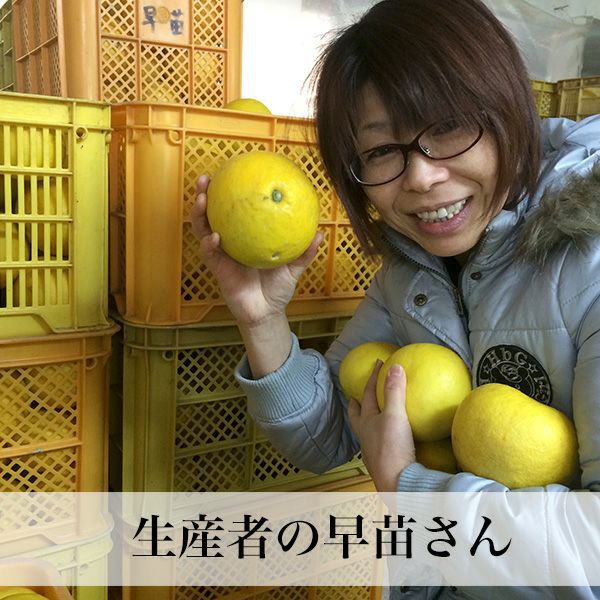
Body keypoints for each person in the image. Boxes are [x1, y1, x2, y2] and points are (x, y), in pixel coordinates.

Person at [192, 0, 600, 596]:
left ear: (509, 108)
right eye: (382, 151)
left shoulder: (590, 261)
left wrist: (411, 490)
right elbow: (330, 436)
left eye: (448, 128)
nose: (421, 178)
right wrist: (263, 319)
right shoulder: (409, 275)